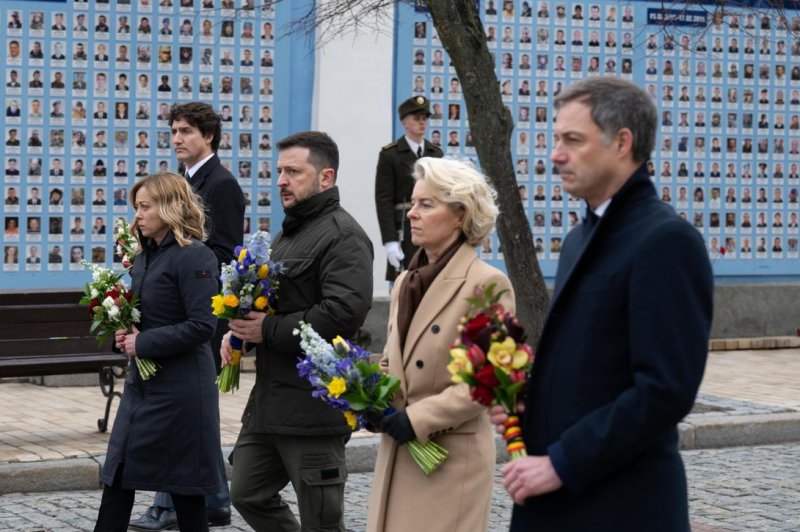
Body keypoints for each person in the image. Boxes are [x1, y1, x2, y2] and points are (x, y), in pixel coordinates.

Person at [491, 77, 713, 531]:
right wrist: (523, 402)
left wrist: (561, 463)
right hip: (559, 503)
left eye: (572, 140)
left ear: (622, 143)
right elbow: (591, 365)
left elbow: (664, 390)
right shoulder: (580, 238)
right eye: (556, 139)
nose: (555, 154)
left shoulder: (666, 240)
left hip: (619, 507)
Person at [222, 131, 373, 531]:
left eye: (293, 171)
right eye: (279, 171)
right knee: (246, 492)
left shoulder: (344, 235)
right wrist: (238, 332)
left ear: (326, 177)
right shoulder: (287, 234)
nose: (281, 181)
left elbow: (344, 312)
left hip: (313, 405)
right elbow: (270, 302)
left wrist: (267, 329)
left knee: (322, 521)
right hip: (270, 404)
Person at [366, 157, 513, 532]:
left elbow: (489, 382)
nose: (411, 214)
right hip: (400, 453)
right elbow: (391, 361)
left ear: (460, 215)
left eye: (426, 205)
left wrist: (416, 419)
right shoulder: (405, 282)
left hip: (449, 460)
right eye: (412, 203)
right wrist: (367, 397)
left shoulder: (487, 284)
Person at [130, 102, 244, 531]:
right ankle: (212, 499)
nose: (177, 138)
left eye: (186, 131)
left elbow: (224, 252)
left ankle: (170, 503)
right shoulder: (181, 181)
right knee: (191, 417)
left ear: (209, 136)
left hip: (199, 315)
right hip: (170, 313)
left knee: (183, 414)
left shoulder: (222, 184)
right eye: (174, 131)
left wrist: (173, 257)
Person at [95, 172, 222, 532]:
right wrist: (125, 333)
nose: (138, 216)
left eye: (145, 207)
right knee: (117, 473)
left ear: (169, 208)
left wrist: (143, 342)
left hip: (182, 391)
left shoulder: (195, 256)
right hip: (143, 385)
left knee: (186, 488)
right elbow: (146, 317)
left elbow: (202, 326)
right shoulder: (142, 257)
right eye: (137, 207)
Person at [375, 96, 444, 282]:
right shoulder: (390, 154)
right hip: (403, 229)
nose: (422, 123)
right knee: (406, 283)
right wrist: (389, 241)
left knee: (432, 280)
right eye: (416, 118)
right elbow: (383, 200)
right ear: (404, 121)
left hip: (432, 225)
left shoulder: (435, 153)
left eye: (425, 118)